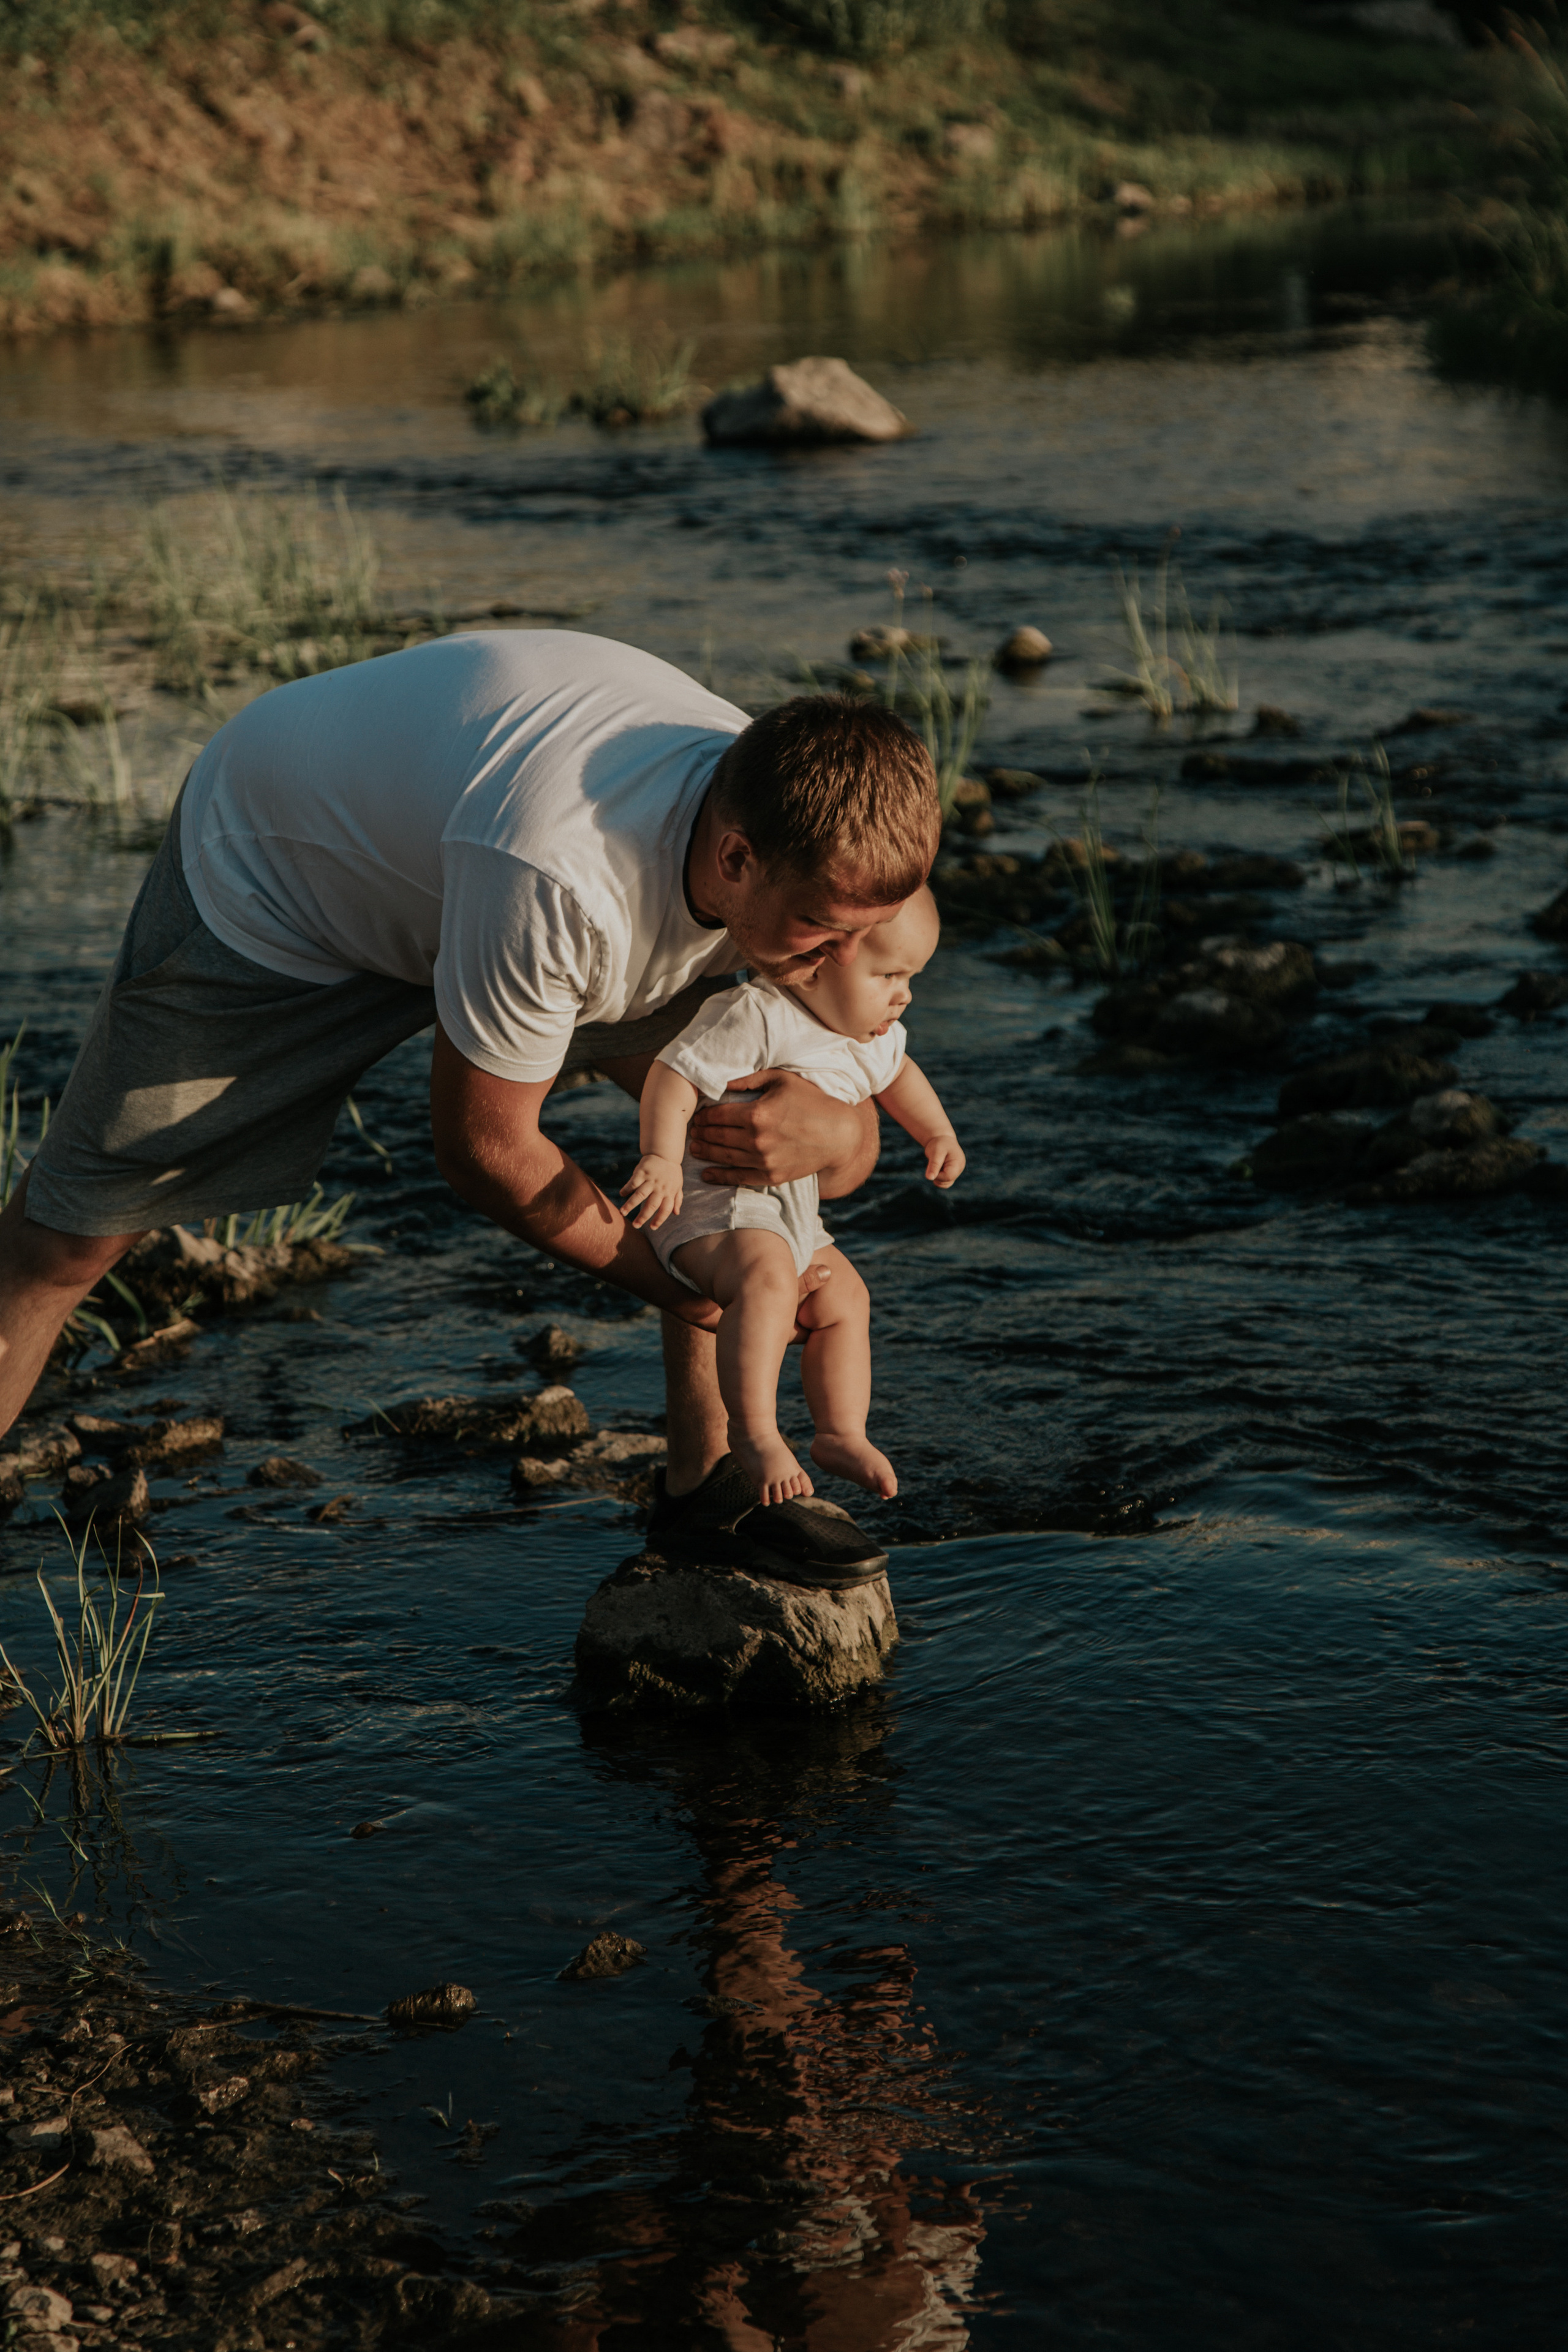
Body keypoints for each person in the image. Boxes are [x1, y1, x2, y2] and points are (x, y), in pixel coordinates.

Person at [0, 631, 941, 1587]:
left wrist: (841, 1131)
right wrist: (700, 1289)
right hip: (282, 876)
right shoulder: (570, 879)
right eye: (826, 938)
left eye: (865, 939)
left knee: (732, 1136)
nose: (842, 966)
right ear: (736, 859)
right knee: (71, 1237)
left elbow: (839, 1120)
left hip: (473, 854)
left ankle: (709, 1486)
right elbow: (485, 1151)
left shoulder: (818, 844)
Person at [622, 888, 963, 1507]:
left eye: (911, 976)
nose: (904, 993)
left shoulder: (873, 1036)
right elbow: (674, 1072)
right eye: (888, 974)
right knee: (770, 1281)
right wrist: (661, 1159)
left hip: (791, 1214)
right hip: (712, 1204)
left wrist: (936, 1133)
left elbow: (901, 1076)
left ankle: (839, 1433)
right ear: (819, 960)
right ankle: (752, 1434)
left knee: (845, 1296)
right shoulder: (756, 1013)